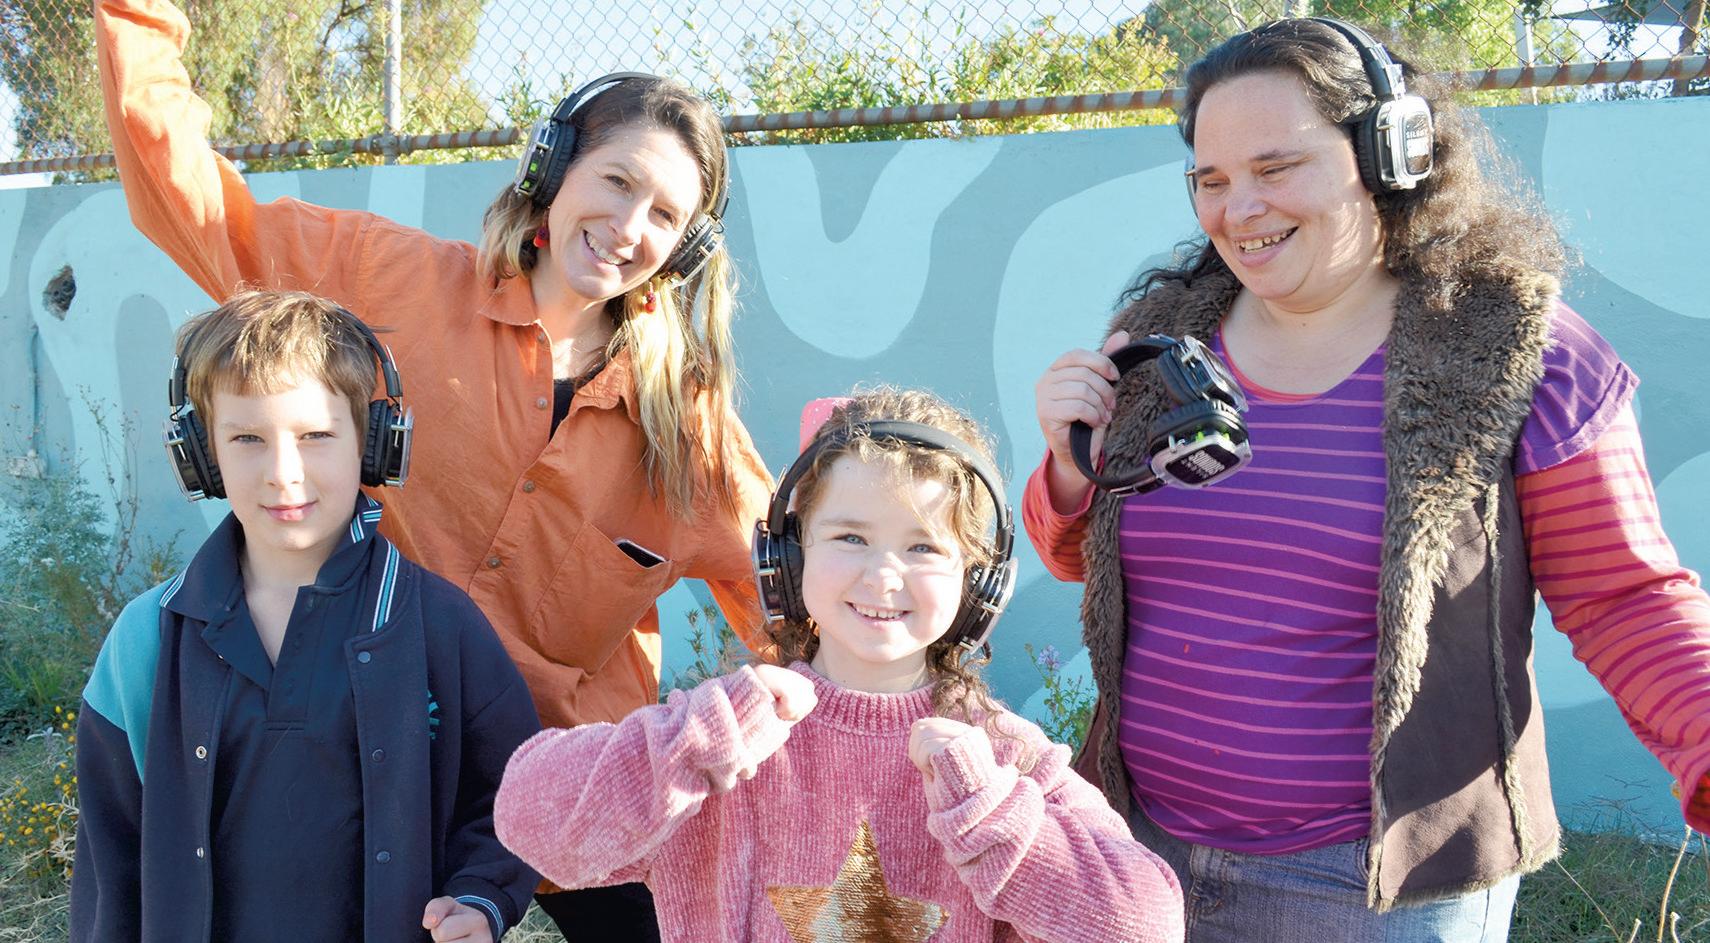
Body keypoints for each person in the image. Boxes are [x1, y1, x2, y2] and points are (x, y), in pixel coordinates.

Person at [95, 0, 774, 934]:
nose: (627, 225)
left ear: (686, 247)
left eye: (664, 213)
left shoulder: (687, 429)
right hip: (380, 767)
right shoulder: (385, 280)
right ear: (551, 169)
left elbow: (796, 591)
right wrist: (136, 16)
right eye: (616, 181)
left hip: (579, 788)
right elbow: (199, 208)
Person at [1026, 17, 1710, 941]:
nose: (1238, 209)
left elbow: (1624, 596)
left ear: (1389, 155)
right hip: (1138, 856)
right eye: (1211, 180)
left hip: (1375, 891)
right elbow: (1087, 560)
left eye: (1276, 167)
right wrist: (1070, 471)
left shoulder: (1515, 348)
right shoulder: (1164, 337)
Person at [492, 389, 1187, 942]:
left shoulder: (1003, 760)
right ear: (788, 559)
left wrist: (993, 817)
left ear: (977, 583)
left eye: (923, 547)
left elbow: (1148, 922)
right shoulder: (724, 735)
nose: (883, 575)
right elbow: (526, 818)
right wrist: (685, 746)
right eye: (851, 536)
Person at [69, 290, 541, 943]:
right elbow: (111, 857)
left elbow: (515, 790)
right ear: (202, 455)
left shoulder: (438, 626)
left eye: (316, 435)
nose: (282, 473)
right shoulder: (146, 639)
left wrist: (481, 896)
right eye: (247, 438)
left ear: (372, 444)